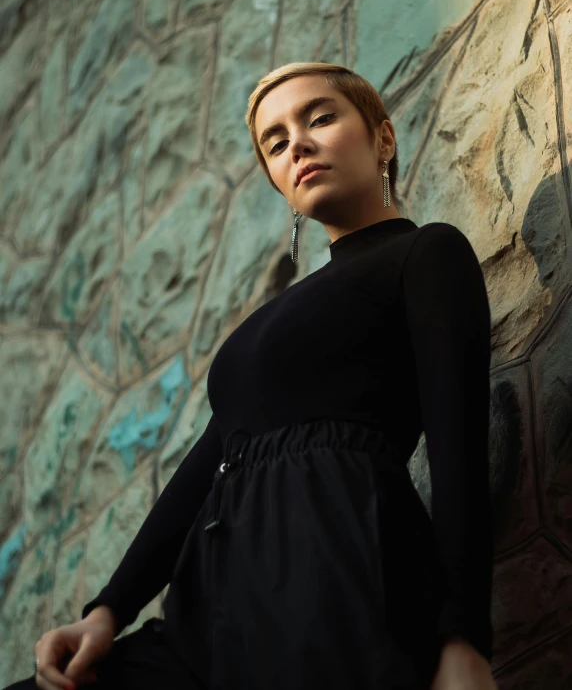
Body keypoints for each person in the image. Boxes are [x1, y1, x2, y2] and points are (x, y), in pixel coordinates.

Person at [5, 62, 499, 690]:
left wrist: (463, 641)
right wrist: (108, 610)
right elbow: (204, 465)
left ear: (383, 139)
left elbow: (460, 448)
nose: (297, 142)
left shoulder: (426, 252)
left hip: (332, 571)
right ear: (276, 179)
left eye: (320, 117)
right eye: (275, 141)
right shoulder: (281, 315)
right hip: (206, 606)